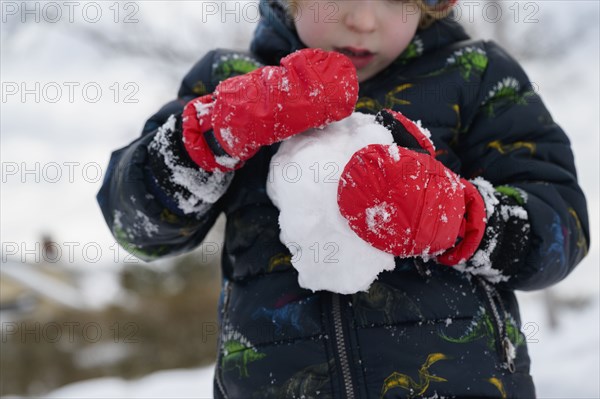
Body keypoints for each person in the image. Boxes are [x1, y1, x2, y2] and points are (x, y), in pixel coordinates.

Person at [96, 0, 589, 397]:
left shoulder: (476, 76)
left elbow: (560, 225)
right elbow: (135, 222)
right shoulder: (232, 84)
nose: (363, 19)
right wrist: (211, 134)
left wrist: (460, 219)